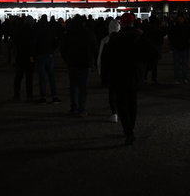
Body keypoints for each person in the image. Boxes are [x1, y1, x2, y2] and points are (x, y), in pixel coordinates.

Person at [100, 13, 150, 145]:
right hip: (134, 73)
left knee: (121, 104)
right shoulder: (139, 36)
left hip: (119, 74)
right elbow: (152, 53)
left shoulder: (115, 38)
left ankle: (128, 130)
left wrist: (105, 77)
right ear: (133, 22)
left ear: (121, 23)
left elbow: (107, 58)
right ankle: (130, 129)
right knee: (132, 102)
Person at [60, 15, 98, 116]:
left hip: (73, 62)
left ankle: (74, 108)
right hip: (85, 63)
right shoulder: (88, 33)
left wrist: (67, 59)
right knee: (83, 87)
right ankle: (81, 109)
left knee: (73, 86)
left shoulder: (69, 33)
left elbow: (63, 48)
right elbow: (95, 47)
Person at [98, 18, 121, 122]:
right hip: (122, 70)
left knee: (112, 92)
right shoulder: (123, 39)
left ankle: (114, 113)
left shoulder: (105, 40)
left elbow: (99, 58)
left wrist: (100, 72)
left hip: (110, 70)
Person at [12, 16, 35, 101]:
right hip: (29, 57)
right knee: (29, 78)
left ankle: (16, 94)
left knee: (18, 77)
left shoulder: (19, 30)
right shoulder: (32, 31)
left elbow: (15, 42)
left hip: (20, 56)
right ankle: (29, 95)